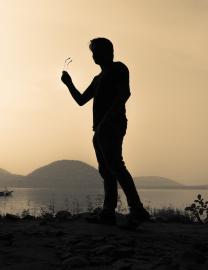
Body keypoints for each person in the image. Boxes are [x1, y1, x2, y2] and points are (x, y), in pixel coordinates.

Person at [61, 37, 150, 229]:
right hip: (99, 129)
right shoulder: (98, 78)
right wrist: (68, 84)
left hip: (112, 124)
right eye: (92, 52)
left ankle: (138, 211)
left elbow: (124, 93)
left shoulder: (118, 68)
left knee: (116, 166)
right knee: (106, 170)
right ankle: (108, 213)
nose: (93, 55)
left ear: (107, 52)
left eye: (96, 51)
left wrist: (107, 120)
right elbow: (81, 100)